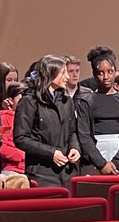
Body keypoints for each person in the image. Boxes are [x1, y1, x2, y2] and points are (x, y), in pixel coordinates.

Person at [14, 54, 82, 187]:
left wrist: (75, 147)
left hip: (68, 172)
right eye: (63, 72)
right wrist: (51, 153)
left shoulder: (66, 101)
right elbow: (21, 138)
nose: (68, 77)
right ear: (51, 74)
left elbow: (72, 131)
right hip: (41, 174)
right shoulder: (29, 102)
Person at [77, 50, 119, 176]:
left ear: (115, 72)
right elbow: (84, 135)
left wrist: (117, 162)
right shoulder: (86, 102)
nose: (106, 77)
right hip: (93, 160)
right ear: (94, 74)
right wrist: (101, 163)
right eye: (101, 73)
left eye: (110, 72)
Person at [0, 81, 27, 175]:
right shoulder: (4, 118)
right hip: (13, 169)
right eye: (21, 98)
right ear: (11, 100)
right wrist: (22, 155)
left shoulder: (35, 117)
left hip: (34, 169)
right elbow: (1, 145)